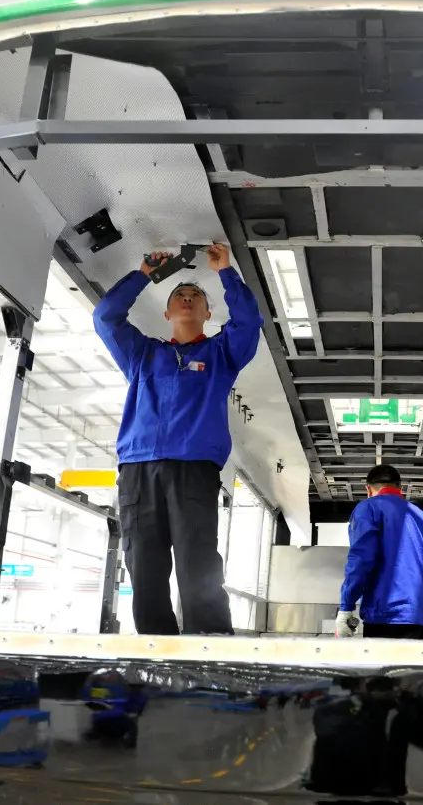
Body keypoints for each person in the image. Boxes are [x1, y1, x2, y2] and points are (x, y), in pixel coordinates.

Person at [93, 242, 262, 635]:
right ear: (167, 313)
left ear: (208, 312)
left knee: (196, 561)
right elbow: (106, 317)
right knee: (143, 565)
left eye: (196, 297)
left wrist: (225, 273)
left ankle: (211, 648)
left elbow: (249, 323)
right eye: (180, 296)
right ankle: (156, 651)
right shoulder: (141, 354)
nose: (188, 299)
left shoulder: (222, 355)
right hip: (137, 470)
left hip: (194, 469)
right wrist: (143, 274)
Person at [335, 465, 423, 640]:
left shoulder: (368, 508)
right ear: (400, 489)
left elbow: (361, 559)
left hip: (385, 617)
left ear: (368, 488)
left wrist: (346, 606)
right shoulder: (422, 517)